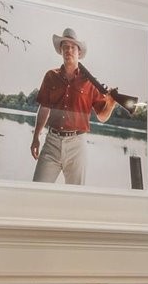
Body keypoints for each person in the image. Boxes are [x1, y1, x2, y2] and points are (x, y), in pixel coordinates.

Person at [29, 28, 117, 185]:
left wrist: (110, 104)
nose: (68, 50)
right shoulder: (50, 76)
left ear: (79, 52)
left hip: (77, 146)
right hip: (51, 143)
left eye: (72, 47)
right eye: (65, 46)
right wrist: (36, 137)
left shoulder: (90, 82)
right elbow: (44, 109)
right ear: (61, 50)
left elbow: (102, 117)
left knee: (76, 198)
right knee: (37, 190)